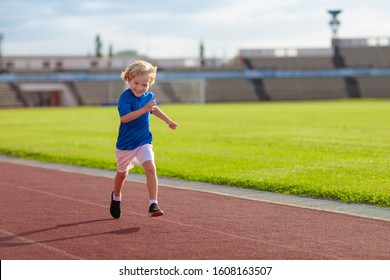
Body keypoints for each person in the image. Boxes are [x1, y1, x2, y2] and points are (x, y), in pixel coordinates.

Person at [110, 60, 178, 219]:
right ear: (128, 79)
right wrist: (144, 110)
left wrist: (168, 120)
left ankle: (153, 204)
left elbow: (154, 109)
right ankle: (116, 197)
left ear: (150, 84)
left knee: (151, 168)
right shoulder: (125, 98)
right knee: (122, 174)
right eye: (136, 83)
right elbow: (125, 118)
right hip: (125, 145)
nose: (140, 88)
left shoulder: (149, 96)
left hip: (143, 141)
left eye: (145, 85)